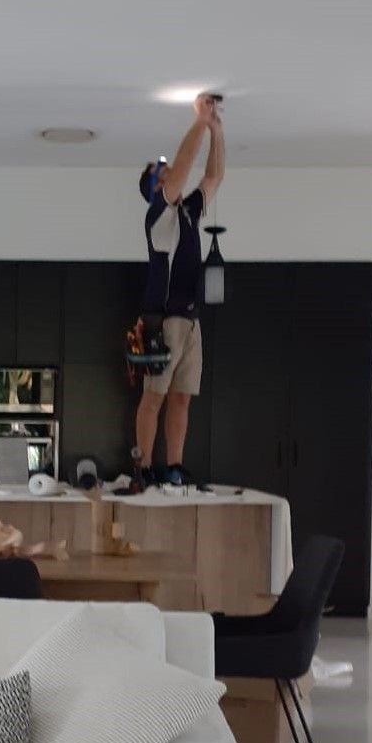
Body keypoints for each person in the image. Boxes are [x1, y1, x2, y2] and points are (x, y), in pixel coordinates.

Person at [135, 92, 226, 485]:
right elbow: (187, 170)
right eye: (164, 173)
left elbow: (213, 176)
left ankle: (173, 465)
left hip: (190, 319)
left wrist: (218, 132)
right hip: (164, 317)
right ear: (156, 187)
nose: (171, 171)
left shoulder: (188, 211)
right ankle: (142, 467)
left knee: (182, 396)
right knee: (153, 396)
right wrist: (200, 121)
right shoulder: (158, 214)